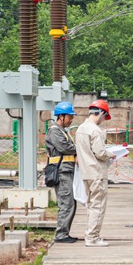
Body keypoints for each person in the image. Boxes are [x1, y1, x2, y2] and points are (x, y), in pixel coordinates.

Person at [75, 99, 116, 247]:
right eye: (104, 117)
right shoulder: (95, 130)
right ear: (101, 113)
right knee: (97, 206)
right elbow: (100, 153)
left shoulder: (80, 129)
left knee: (91, 205)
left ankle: (91, 234)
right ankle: (92, 238)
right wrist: (111, 154)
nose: (103, 121)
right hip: (97, 173)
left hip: (86, 173)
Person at [46, 101, 78, 243]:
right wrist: (78, 149)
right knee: (66, 202)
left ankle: (65, 232)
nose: (71, 119)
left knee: (71, 202)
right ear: (61, 116)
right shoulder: (54, 131)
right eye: (69, 117)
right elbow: (65, 147)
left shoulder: (62, 131)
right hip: (62, 172)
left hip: (67, 171)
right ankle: (61, 235)